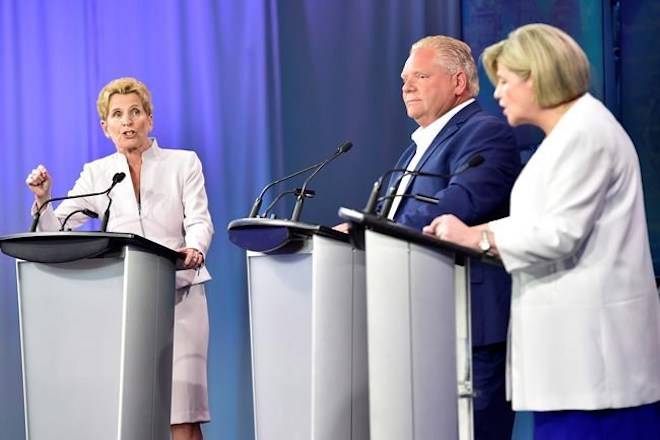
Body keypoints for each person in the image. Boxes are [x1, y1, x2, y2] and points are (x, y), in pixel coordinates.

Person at [423, 24, 660, 439]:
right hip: (572, 361)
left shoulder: (586, 135)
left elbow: (560, 232)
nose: (497, 94)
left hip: (595, 366)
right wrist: (476, 229)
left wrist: (477, 238)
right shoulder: (566, 136)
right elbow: (538, 221)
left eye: (506, 82)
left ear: (536, 76)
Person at [25, 77, 214, 440]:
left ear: (149, 119)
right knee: (130, 412)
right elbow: (58, 225)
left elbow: (199, 219)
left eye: (135, 112)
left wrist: (195, 249)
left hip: (181, 296)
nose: (127, 122)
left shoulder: (183, 163)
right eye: (117, 115)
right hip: (126, 303)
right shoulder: (98, 173)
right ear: (105, 127)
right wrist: (43, 198)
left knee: (183, 415)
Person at [386, 35, 522, 439]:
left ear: (458, 82)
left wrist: (372, 230)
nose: (406, 86)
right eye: (404, 79)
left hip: (470, 325)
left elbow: (458, 203)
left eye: (421, 76)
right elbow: (392, 213)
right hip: (420, 321)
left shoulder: (485, 133)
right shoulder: (413, 150)